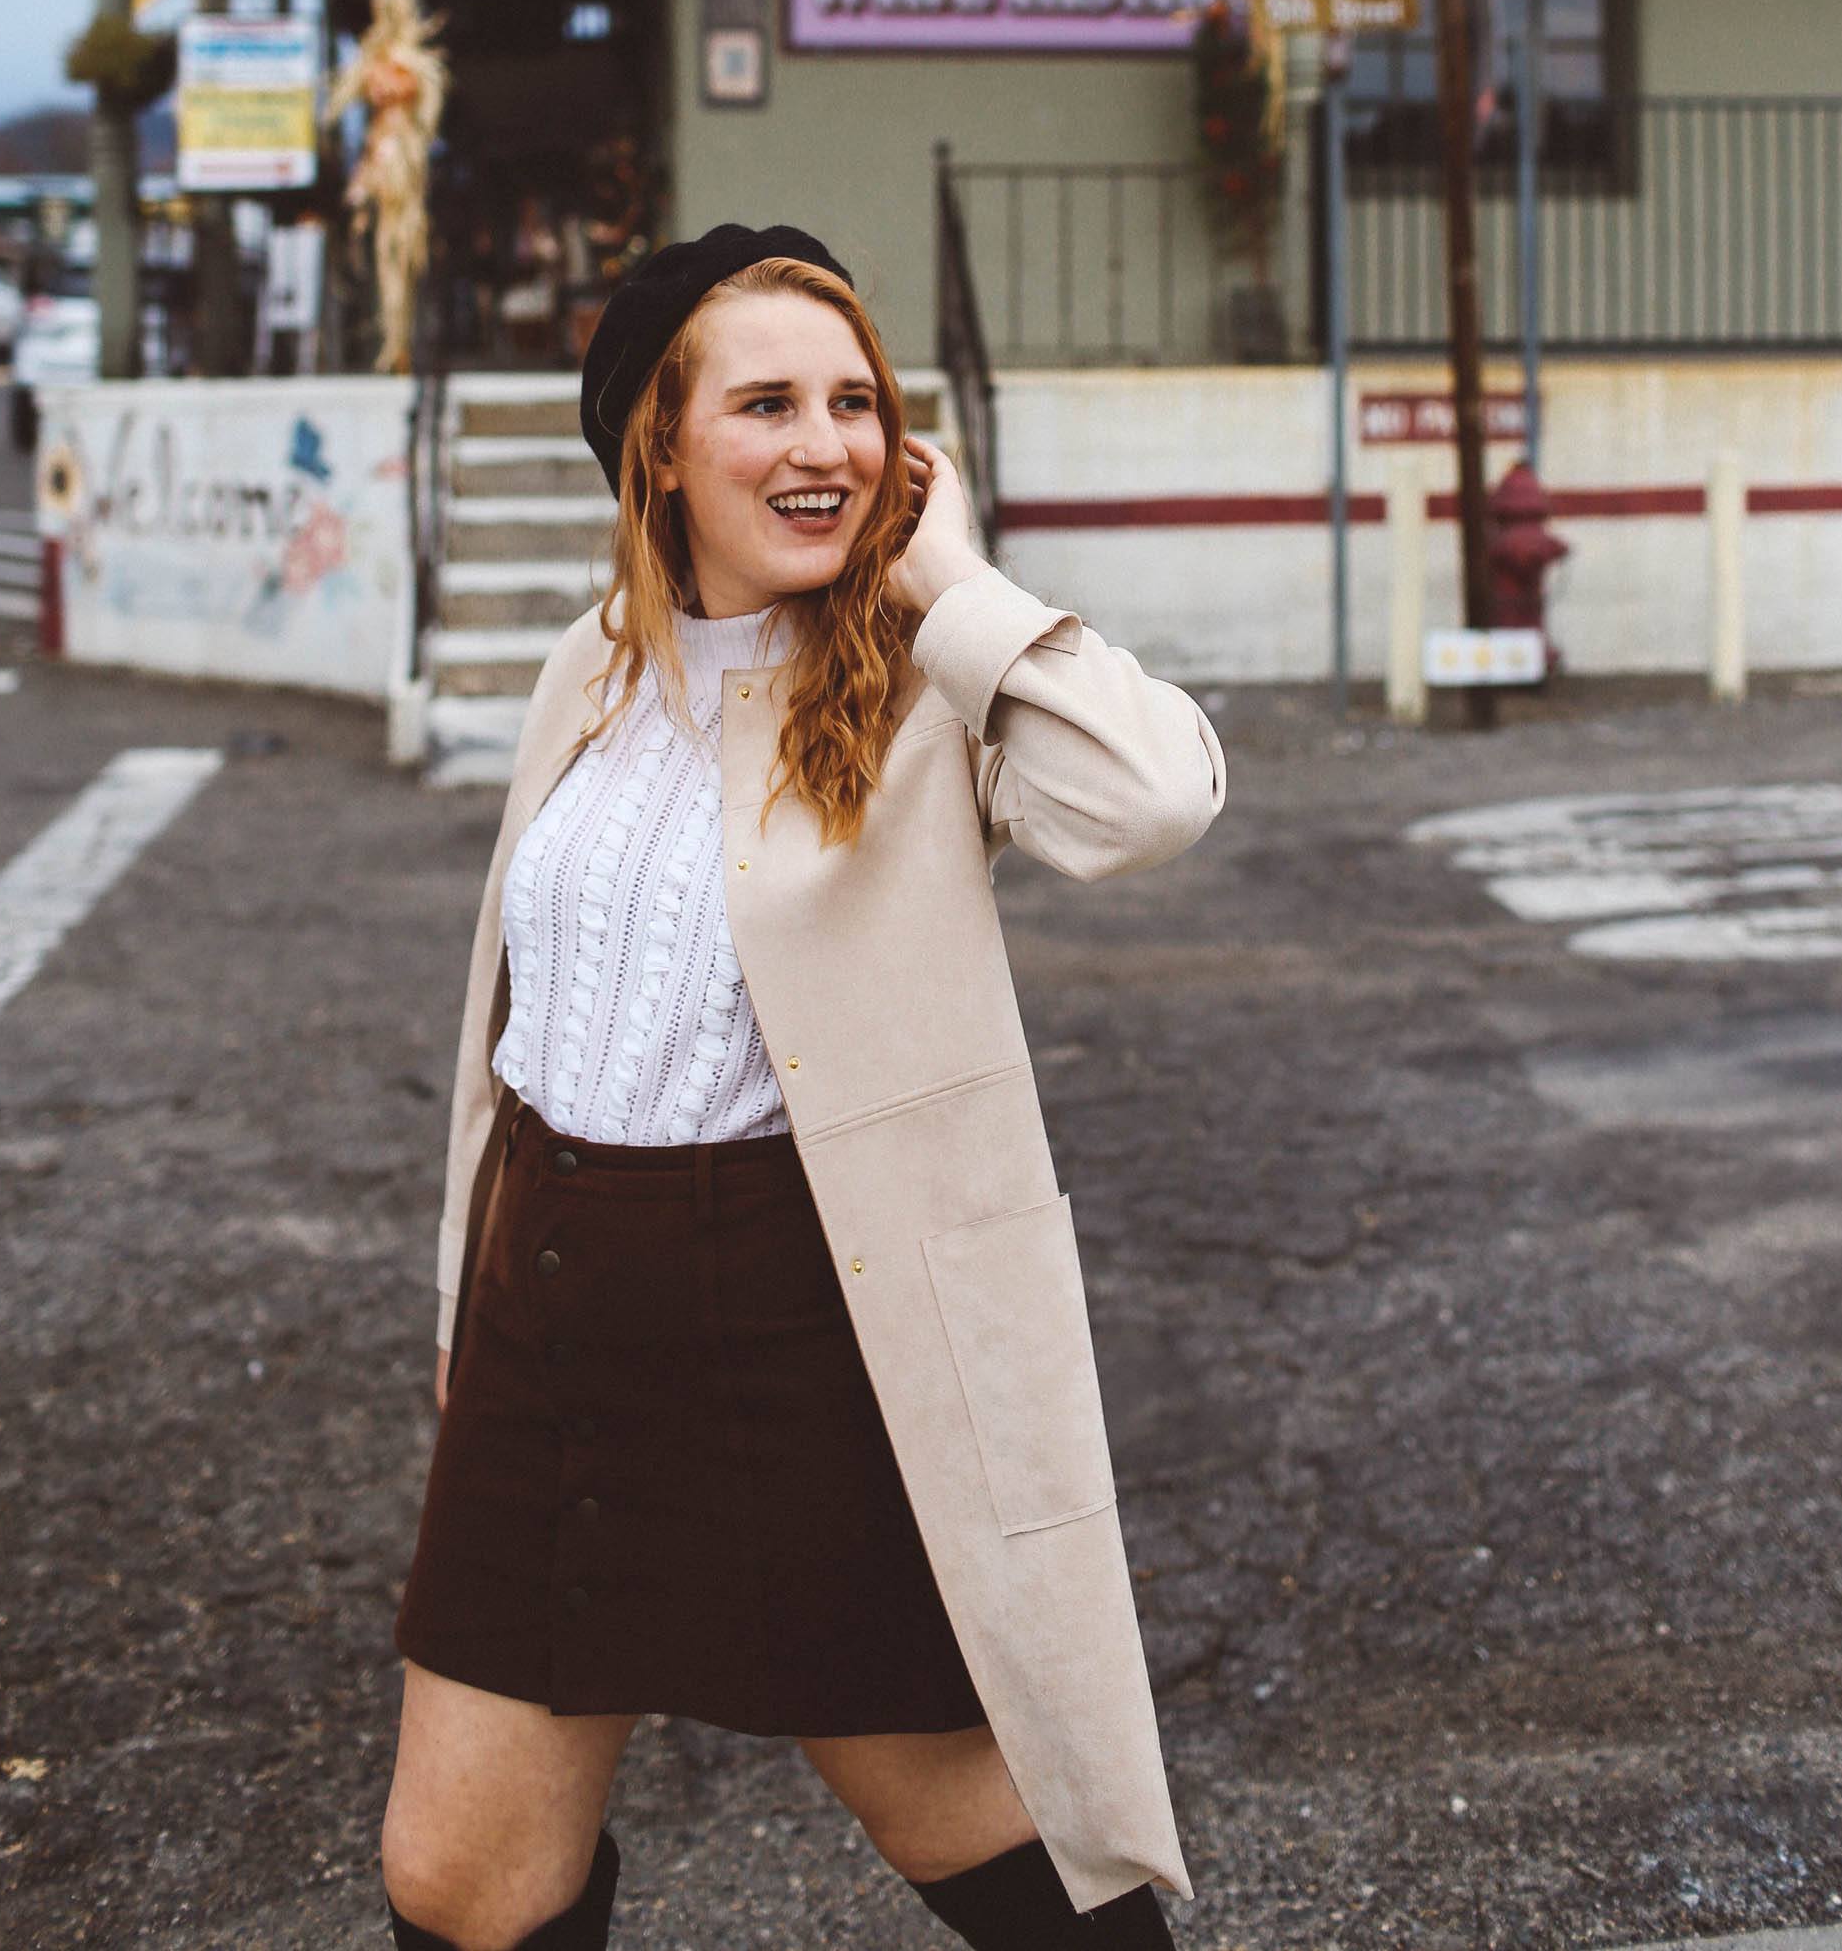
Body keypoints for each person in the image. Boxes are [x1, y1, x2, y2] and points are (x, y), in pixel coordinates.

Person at [382, 223, 1226, 1951]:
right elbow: (514, 1023)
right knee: (462, 1881)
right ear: (660, 449)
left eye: (854, 404)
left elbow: (1152, 803)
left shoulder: (925, 685)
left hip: (801, 1321)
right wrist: (465, 1309)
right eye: (764, 403)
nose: (822, 444)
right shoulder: (585, 673)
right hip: (553, 1313)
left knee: (992, 1841)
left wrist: (961, 585)